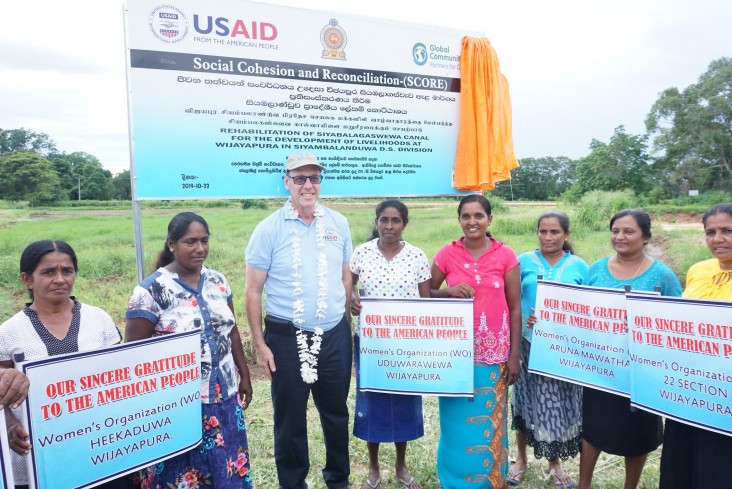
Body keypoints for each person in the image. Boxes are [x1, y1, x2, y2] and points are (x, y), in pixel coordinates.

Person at [245, 153, 353, 489]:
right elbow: (252, 291)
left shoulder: (338, 223)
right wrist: (260, 343)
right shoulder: (269, 229)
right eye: (300, 178)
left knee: (335, 413)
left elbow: (345, 276)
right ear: (286, 182)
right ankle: (293, 484)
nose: (308, 185)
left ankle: (338, 479)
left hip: (334, 334)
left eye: (314, 178)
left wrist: (344, 316)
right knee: (290, 419)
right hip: (286, 338)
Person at [126, 212, 253, 489]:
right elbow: (134, 357)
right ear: (171, 244)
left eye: (204, 241)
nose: (200, 249)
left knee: (227, 467)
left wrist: (244, 374)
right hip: (178, 404)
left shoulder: (218, 281)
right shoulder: (151, 291)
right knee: (182, 474)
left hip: (224, 397)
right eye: (190, 242)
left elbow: (231, 331)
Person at [0, 240, 123, 488]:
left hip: (99, 448)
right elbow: (3, 393)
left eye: (67, 271)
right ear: (27, 279)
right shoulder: (9, 332)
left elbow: (120, 377)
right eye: (48, 272)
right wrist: (12, 426)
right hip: (36, 454)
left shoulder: (99, 319)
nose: (60, 279)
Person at [578, 209, 682, 489]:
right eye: (615, 231)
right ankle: (583, 484)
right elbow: (581, 310)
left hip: (642, 371)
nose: (620, 237)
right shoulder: (597, 268)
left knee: (638, 434)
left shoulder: (663, 276)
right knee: (593, 427)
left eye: (629, 231)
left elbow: (679, 322)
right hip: (601, 367)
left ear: (645, 237)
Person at [430, 194, 521, 488]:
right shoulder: (447, 254)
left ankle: (492, 480)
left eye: (479, 215)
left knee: (490, 423)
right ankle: (454, 481)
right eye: (466, 216)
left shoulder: (505, 255)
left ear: (489, 220)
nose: (472, 221)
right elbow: (425, 294)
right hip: (454, 356)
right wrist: (448, 291)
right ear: (459, 220)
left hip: (494, 355)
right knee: (455, 427)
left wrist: (514, 355)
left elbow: (515, 306)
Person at [350, 200, 431, 489]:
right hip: (370, 343)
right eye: (383, 220)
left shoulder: (417, 256)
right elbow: (347, 287)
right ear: (376, 222)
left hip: (407, 345)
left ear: (404, 224)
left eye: (395, 220)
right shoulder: (361, 253)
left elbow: (426, 300)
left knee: (404, 401)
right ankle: (373, 466)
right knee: (372, 401)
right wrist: (351, 300)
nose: (389, 226)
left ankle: (401, 465)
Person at [509, 212, 588, 488]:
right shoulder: (523, 261)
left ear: (566, 235)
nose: (548, 237)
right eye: (543, 232)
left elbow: (587, 308)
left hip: (563, 349)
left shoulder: (579, 266)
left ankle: (554, 462)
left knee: (556, 403)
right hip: (529, 343)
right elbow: (513, 301)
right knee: (524, 399)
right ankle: (520, 458)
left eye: (554, 232)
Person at [658, 202, 732, 489]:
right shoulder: (698, 270)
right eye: (710, 232)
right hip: (689, 388)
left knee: (719, 463)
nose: (718, 239)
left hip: (725, 392)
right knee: (682, 458)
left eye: (727, 231)